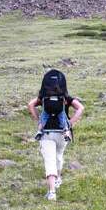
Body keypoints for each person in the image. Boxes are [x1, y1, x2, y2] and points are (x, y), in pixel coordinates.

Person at [27, 69, 84, 201]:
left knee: (49, 160)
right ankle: (58, 179)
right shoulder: (65, 98)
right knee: (58, 156)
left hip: (46, 132)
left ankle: (52, 192)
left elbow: (30, 105)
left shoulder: (44, 98)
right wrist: (70, 123)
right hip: (62, 133)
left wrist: (39, 120)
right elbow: (81, 108)